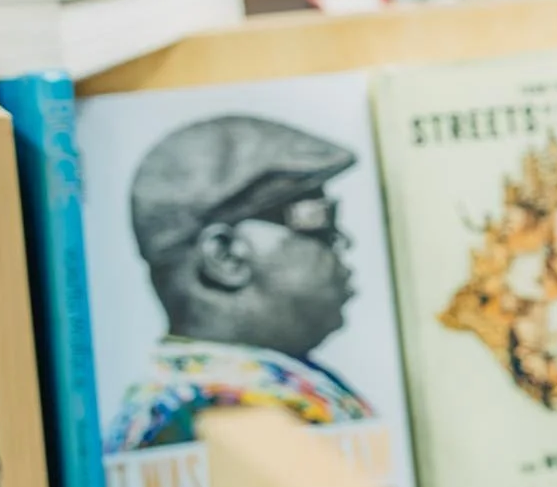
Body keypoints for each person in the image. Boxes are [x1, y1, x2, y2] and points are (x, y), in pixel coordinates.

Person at [107, 114, 374, 451]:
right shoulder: (210, 415)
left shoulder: (252, 389)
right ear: (225, 256)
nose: (342, 241)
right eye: (316, 218)